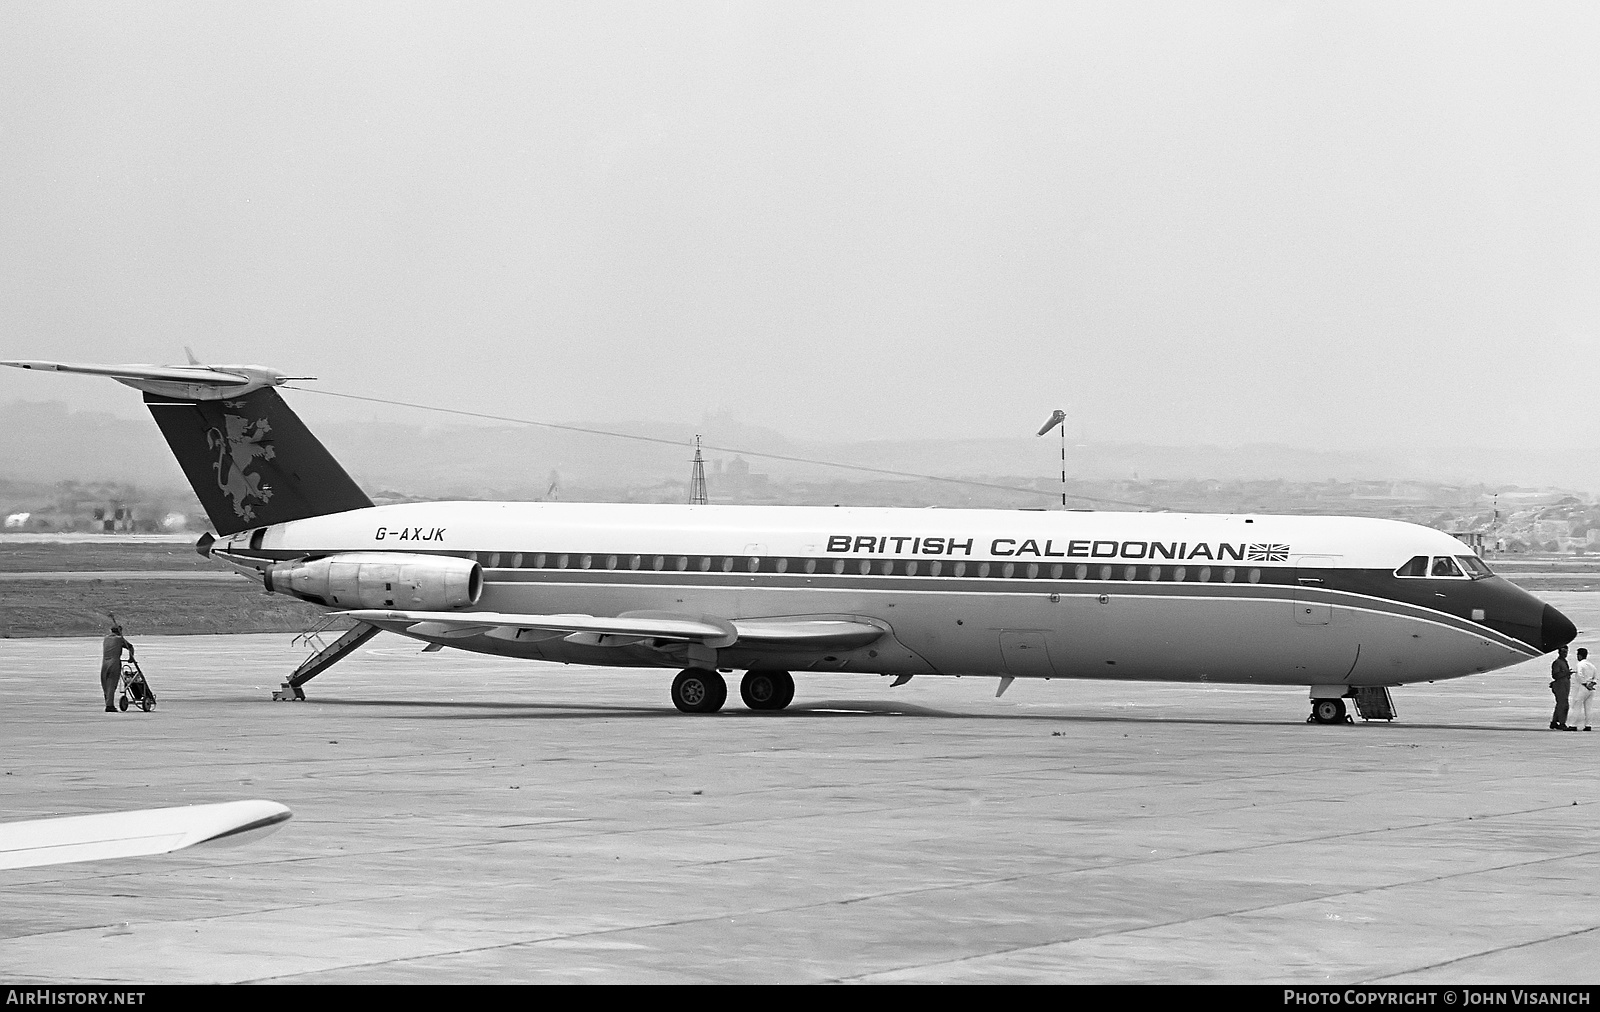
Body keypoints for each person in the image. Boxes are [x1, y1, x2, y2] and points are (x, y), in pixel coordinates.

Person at [100, 624, 134, 713]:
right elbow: (130, 647)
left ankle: (108, 703)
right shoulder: (119, 639)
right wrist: (131, 658)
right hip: (114, 663)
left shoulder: (106, 639)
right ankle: (109, 706)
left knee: (105, 684)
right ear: (119, 631)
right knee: (112, 684)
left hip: (104, 663)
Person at [1572, 647, 1596, 733]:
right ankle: (1588, 725)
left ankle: (1573, 725)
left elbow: (1579, 675)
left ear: (1580, 655)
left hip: (1582, 687)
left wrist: (1585, 683)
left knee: (1577, 706)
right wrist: (1591, 684)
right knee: (1588, 708)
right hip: (1591, 688)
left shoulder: (1580, 664)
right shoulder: (1592, 665)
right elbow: (1595, 677)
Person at [1550, 643, 1572, 730]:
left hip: (1565, 685)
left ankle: (1554, 722)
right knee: (1563, 705)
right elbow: (1555, 675)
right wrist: (1566, 673)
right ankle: (1562, 723)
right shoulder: (1557, 662)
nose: (1565, 654)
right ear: (1559, 652)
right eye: (1563, 652)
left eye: (1566, 652)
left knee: (1560, 704)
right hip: (1560, 686)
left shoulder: (1564, 662)